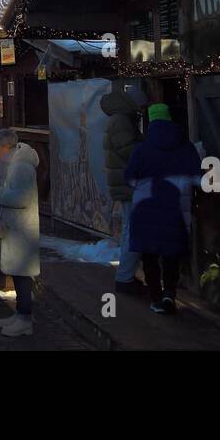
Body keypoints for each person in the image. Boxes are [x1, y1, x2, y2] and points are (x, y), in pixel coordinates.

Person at [124, 101, 201, 315]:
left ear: (150, 121)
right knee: (171, 254)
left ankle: (156, 297)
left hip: (146, 208)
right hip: (177, 208)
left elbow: (130, 180)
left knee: (149, 255)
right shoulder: (186, 146)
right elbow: (198, 179)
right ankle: (169, 294)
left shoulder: (141, 149)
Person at [0, 129, 41, 337]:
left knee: (22, 273)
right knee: (16, 272)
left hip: (21, 229)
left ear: (6, 147)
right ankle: (21, 314)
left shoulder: (21, 167)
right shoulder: (8, 164)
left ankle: (25, 317)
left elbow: (20, 199)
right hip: (14, 228)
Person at [101, 80, 144, 295]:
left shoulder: (117, 119)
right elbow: (129, 151)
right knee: (133, 230)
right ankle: (125, 277)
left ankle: (127, 275)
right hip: (129, 183)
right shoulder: (122, 121)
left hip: (122, 182)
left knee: (132, 229)